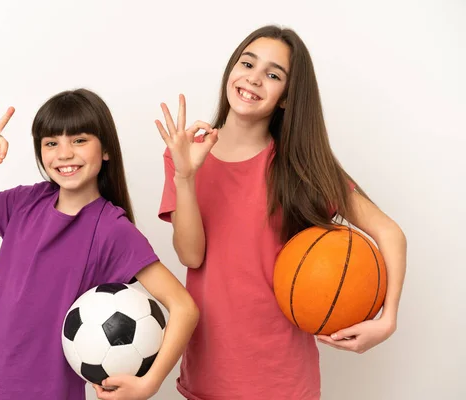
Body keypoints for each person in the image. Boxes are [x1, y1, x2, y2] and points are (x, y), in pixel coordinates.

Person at [155, 25, 407, 400]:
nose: (254, 78)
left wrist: (386, 321)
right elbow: (191, 255)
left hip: (281, 380)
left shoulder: (300, 166)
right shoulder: (185, 155)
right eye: (248, 63)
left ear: (286, 98)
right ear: (231, 70)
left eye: (273, 75)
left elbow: (389, 233)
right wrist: (186, 176)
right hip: (209, 374)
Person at [0, 89, 199, 400]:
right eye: (51, 143)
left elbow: (184, 307)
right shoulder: (24, 201)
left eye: (79, 140)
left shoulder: (112, 230)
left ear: (106, 149)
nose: (64, 153)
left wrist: (149, 384)